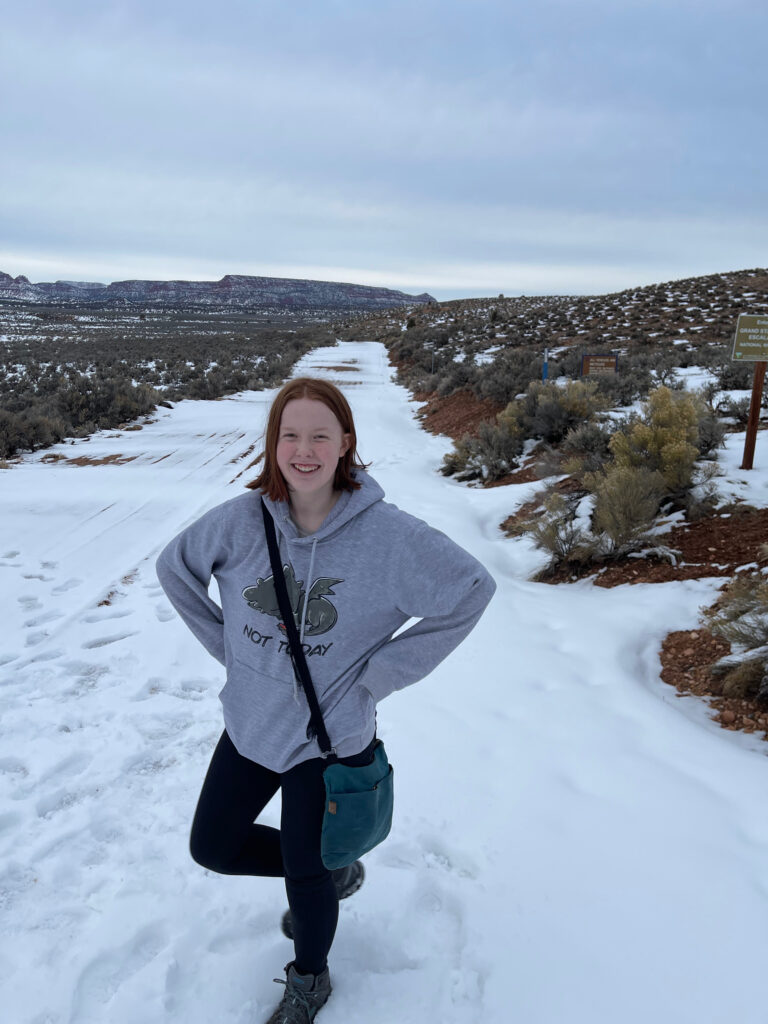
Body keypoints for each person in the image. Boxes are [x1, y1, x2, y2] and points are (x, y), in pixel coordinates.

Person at [156, 376, 496, 1023]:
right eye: (290, 435)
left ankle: (310, 980)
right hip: (252, 727)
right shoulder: (241, 519)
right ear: (273, 443)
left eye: (319, 435)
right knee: (214, 846)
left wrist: (379, 675)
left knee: (305, 873)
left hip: (330, 739)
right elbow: (175, 568)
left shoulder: (389, 537)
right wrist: (232, 652)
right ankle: (324, 875)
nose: (303, 450)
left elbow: (470, 590)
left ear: (346, 443)